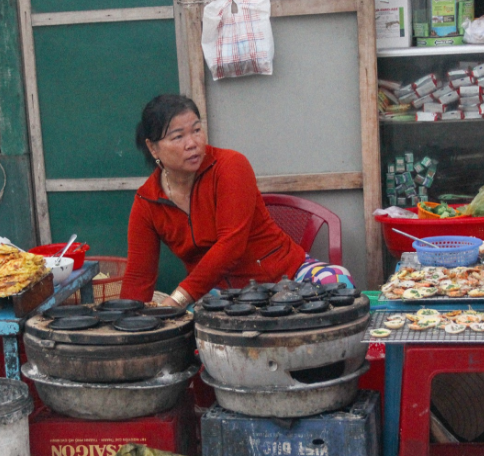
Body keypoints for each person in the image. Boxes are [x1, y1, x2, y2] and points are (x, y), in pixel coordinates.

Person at [120, 94, 353, 307]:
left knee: (338, 282)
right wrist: (127, 329)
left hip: (285, 277)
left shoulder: (229, 165)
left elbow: (231, 244)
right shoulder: (147, 200)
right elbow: (139, 276)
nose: (192, 143)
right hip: (220, 295)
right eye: (178, 136)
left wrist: (178, 300)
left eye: (196, 130)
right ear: (153, 148)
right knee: (189, 335)